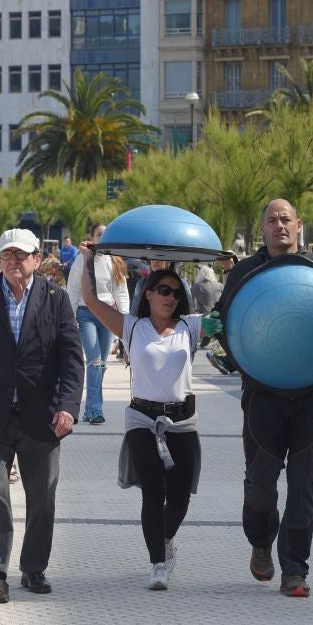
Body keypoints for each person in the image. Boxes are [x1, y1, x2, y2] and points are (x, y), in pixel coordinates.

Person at [206, 199, 313, 599]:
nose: (279, 225)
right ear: (262, 228)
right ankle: (261, 541)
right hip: (262, 393)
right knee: (261, 481)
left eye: (285, 219)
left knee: (304, 484)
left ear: (299, 225)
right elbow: (226, 325)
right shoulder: (244, 271)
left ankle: (295, 569)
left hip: (312, 393)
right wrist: (214, 326)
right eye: (272, 220)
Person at [0, 228, 83, 604]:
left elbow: (72, 359)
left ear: (37, 260)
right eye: (6, 255)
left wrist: (69, 408)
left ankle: (33, 568)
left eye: (21, 255)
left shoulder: (56, 299)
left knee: (43, 497)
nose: (13, 262)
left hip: (43, 416)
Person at [80, 243, 203, 590]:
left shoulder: (190, 327)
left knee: (180, 496)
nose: (171, 298)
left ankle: (164, 540)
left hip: (182, 421)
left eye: (177, 293)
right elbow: (91, 301)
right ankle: (158, 564)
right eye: (164, 290)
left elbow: (231, 315)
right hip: (142, 421)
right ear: (148, 293)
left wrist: (229, 269)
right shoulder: (132, 328)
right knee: (153, 491)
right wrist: (89, 260)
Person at [66, 222, 128, 424]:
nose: (103, 237)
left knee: (101, 365)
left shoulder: (114, 261)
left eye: (106, 234)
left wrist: (125, 324)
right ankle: (94, 410)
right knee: (93, 362)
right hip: (86, 314)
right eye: (99, 234)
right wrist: (69, 319)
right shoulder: (81, 260)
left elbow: (121, 292)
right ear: (91, 238)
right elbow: (73, 290)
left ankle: (90, 409)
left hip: (108, 316)